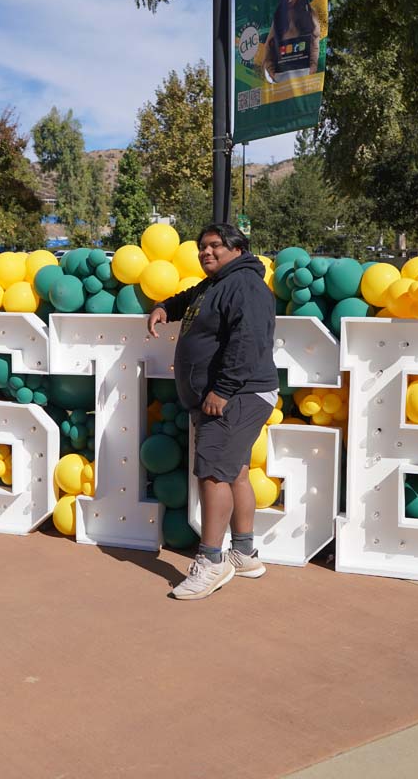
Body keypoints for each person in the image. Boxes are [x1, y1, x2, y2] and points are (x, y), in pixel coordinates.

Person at [147, 223, 279, 600]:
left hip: (238, 395)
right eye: (202, 247)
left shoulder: (245, 285)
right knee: (234, 473)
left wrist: (223, 389)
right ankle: (244, 554)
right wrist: (164, 308)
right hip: (236, 394)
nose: (206, 252)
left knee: (212, 473)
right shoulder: (216, 283)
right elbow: (188, 298)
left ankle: (211, 562)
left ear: (238, 248)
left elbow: (248, 341)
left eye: (215, 245)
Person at [263, 0, 320, 82]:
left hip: (304, 79)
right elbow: (268, 48)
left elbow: (315, 44)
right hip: (283, 80)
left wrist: (312, 68)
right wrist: (273, 73)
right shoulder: (279, 17)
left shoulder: (309, 13)